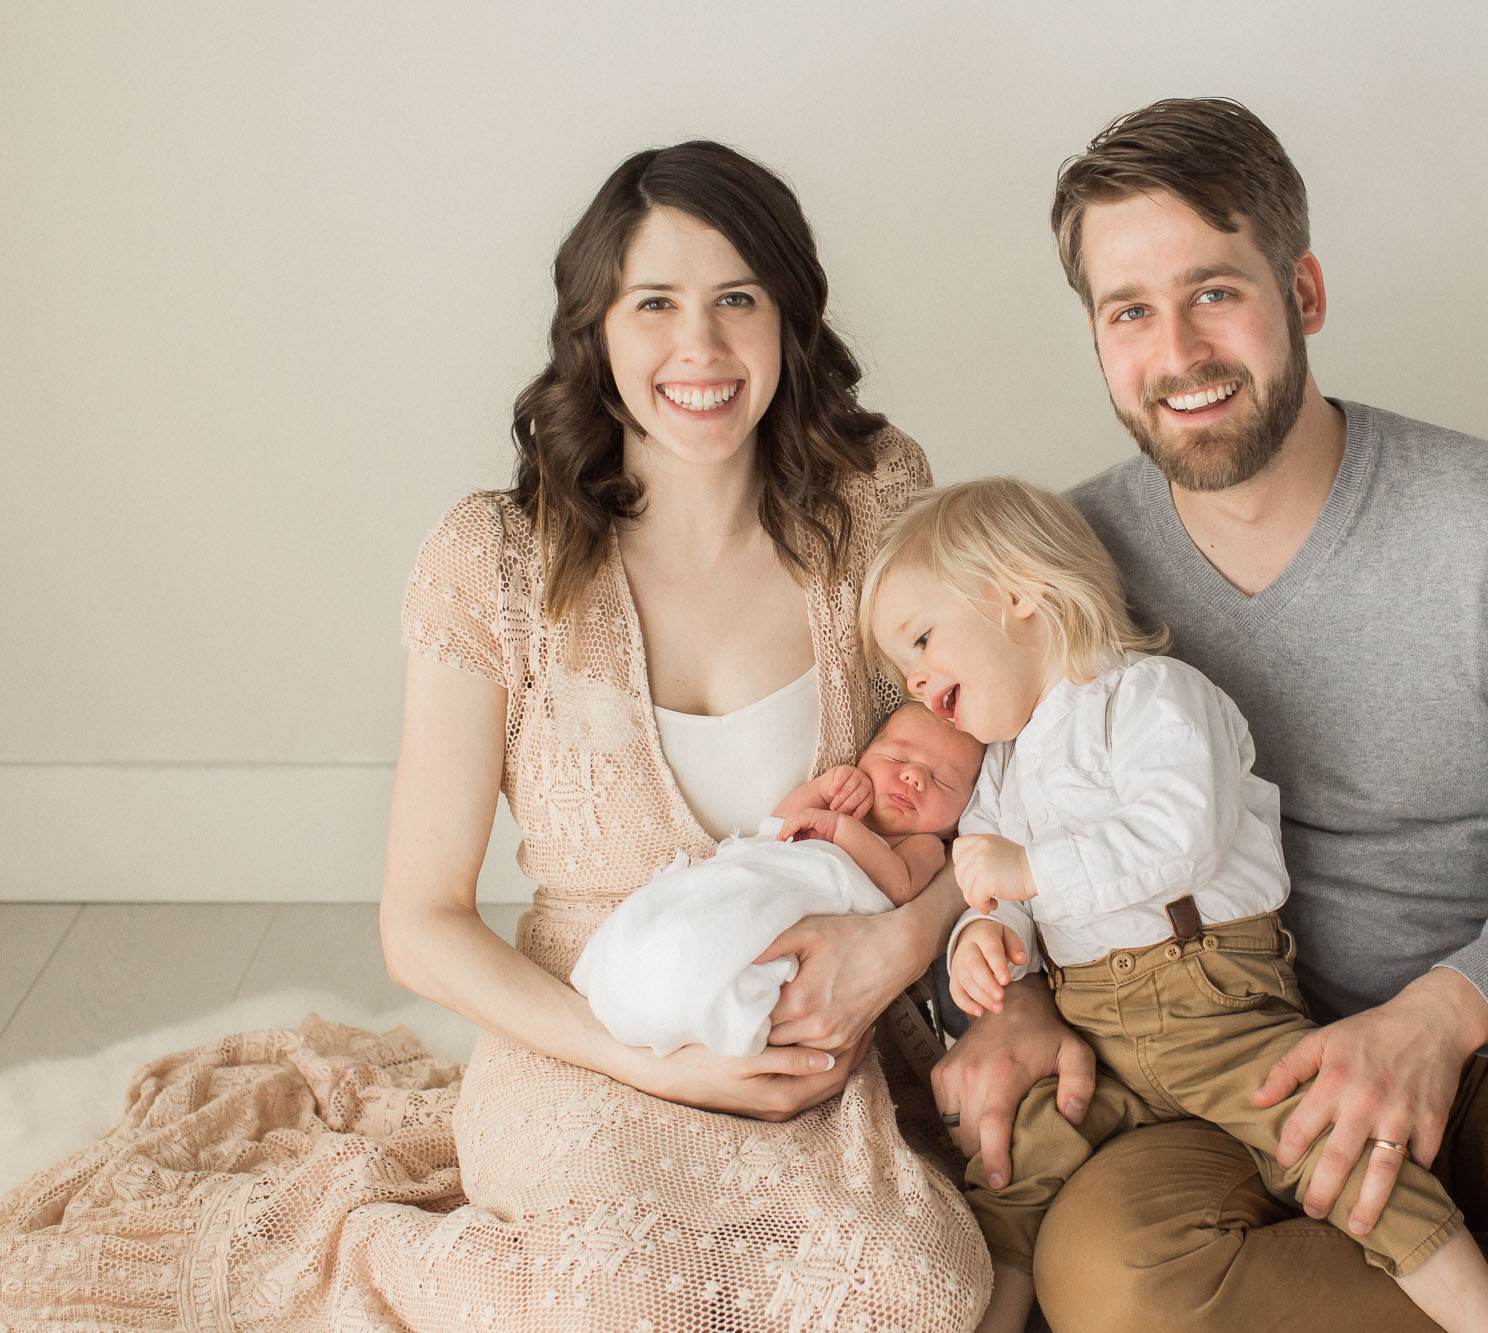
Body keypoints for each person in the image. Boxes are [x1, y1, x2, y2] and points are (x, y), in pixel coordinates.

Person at [0, 142, 989, 1331]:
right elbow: (420, 920)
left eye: (739, 298)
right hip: (584, 1038)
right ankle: (378, 1259)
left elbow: (987, 777)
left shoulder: (876, 503)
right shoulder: (495, 566)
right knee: (626, 1292)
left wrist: (895, 946)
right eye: (655, 304)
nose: (703, 349)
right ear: (595, 329)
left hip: (829, 1034)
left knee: (920, 1290)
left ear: (788, 316)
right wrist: (644, 1063)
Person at [931, 98, 1488, 1333]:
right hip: (1224, 1082)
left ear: (1301, 290)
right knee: (1110, 1273)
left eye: (1214, 291)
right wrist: (1019, 999)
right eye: (1128, 311)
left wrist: (1441, 1013)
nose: (1177, 349)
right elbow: (986, 824)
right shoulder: (1067, 569)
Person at [866, 478, 1488, 1333]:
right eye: (900, 666)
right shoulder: (1002, 764)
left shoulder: (1150, 697)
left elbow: (1181, 836)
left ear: (1020, 592)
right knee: (1012, 1169)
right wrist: (989, 931)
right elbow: (995, 885)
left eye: (922, 638)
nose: (916, 679)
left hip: (1215, 1000)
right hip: (1093, 1030)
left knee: (1347, 1154)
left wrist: (1027, 870)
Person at [574, 701, 985, 1058]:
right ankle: (634, 965)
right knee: (696, 912)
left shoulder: (927, 845)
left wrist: (841, 830)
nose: (914, 777)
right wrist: (826, 788)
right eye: (896, 759)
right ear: (864, 756)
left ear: (959, 819)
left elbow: (900, 885)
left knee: (743, 946)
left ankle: (706, 1004)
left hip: (810, 912)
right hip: (761, 874)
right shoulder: (837, 806)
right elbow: (778, 827)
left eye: (943, 781)